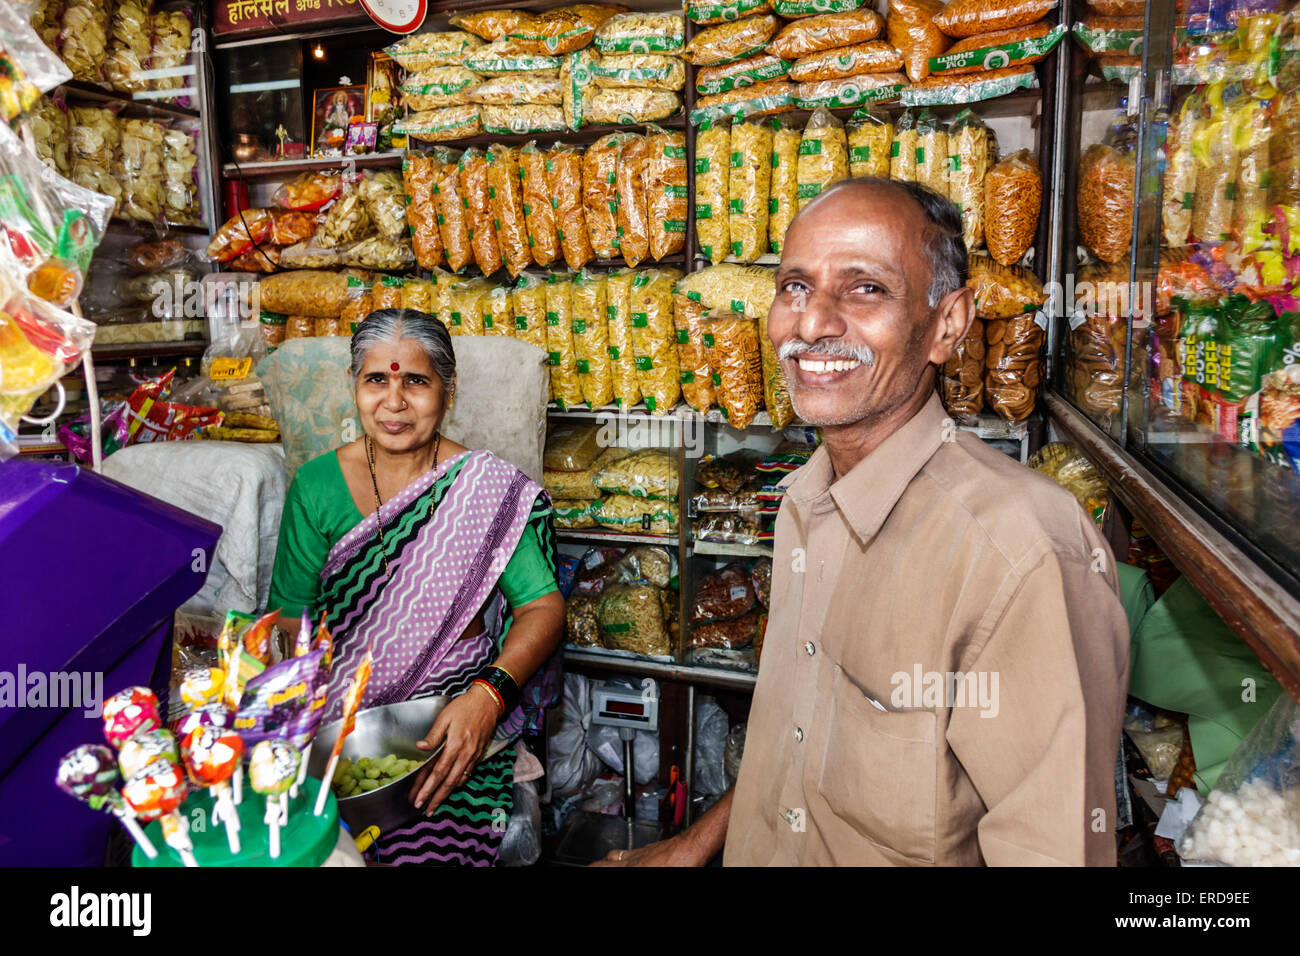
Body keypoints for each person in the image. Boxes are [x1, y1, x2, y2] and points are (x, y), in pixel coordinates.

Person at [597, 178, 1130, 867]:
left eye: (866, 289)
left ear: (948, 324)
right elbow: (799, 735)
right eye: (794, 286)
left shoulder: (1020, 554)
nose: (812, 323)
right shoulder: (801, 504)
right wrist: (691, 847)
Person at [268, 309, 564, 866]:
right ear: (354, 387)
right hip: (340, 729)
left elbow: (543, 608)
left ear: (447, 392)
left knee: (425, 850)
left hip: (452, 722)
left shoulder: (487, 488)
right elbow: (289, 623)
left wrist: (488, 696)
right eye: (376, 379)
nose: (395, 401)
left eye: (416, 381)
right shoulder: (316, 486)